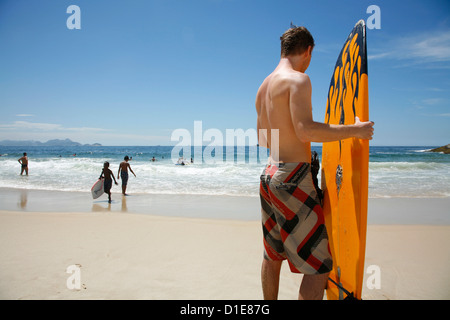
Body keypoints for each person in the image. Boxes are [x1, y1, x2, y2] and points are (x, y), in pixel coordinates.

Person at [255, 26, 374, 300]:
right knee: (319, 266)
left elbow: (263, 138)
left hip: (269, 175)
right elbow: (305, 131)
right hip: (293, 177)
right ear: (308, 51)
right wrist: (354, 131)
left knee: (272, 256)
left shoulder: (264, 87)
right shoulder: (299, 80)